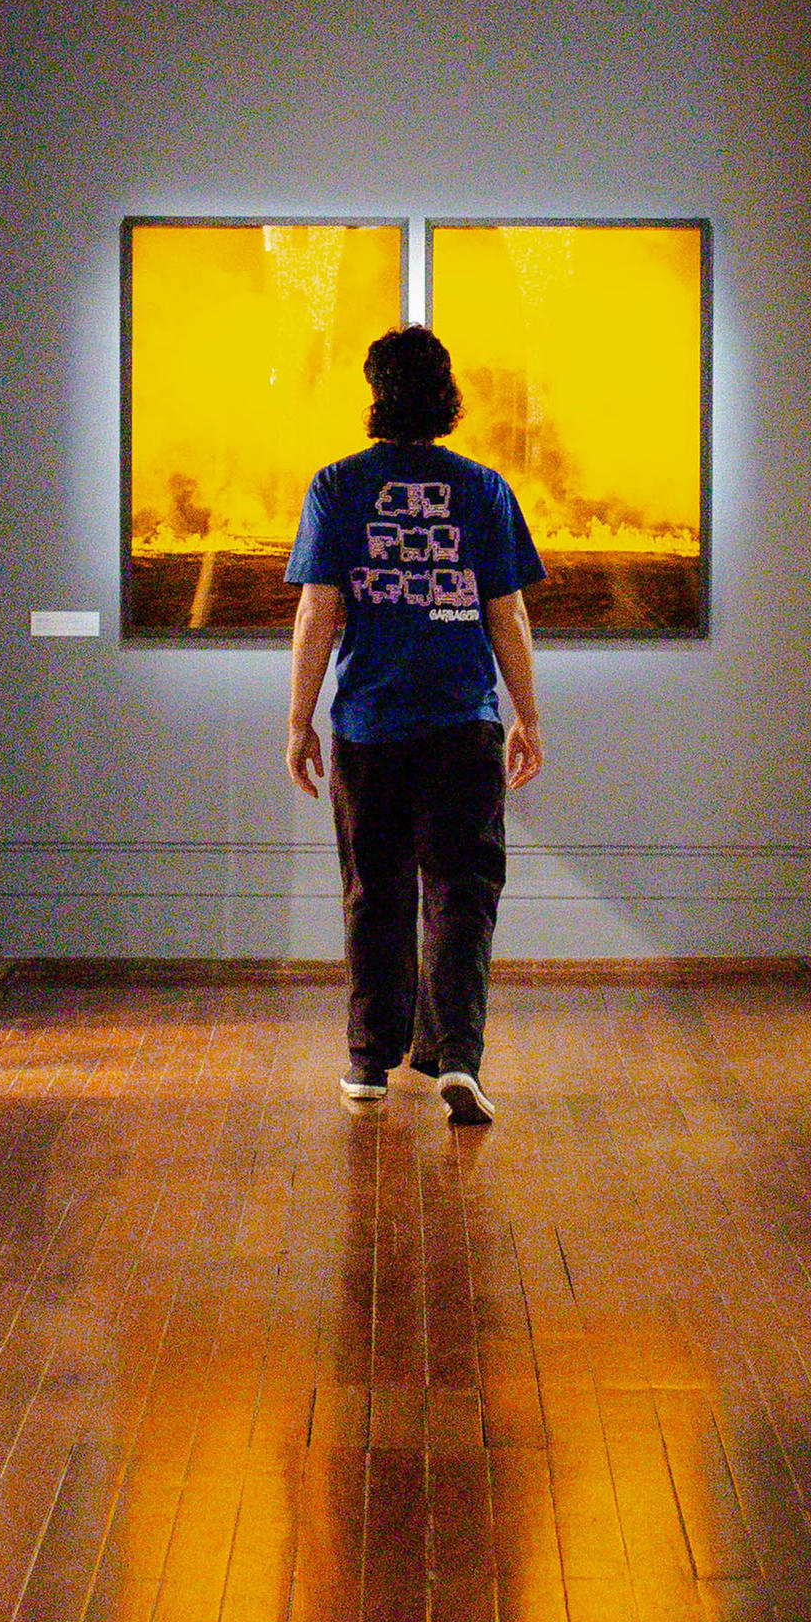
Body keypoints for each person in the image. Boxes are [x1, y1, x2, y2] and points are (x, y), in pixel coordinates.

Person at [285, 324, 544, 1123]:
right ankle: (457, 1058)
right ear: (446, 394)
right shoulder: (484, 489)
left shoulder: (336, 486)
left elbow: (318, 611)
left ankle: (368, 1062)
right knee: (464, 891)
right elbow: (507, 612)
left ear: (376, 393)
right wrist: (527, 716)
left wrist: (300, 721)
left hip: (368, 727)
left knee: (374, 893)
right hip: (463, 724)